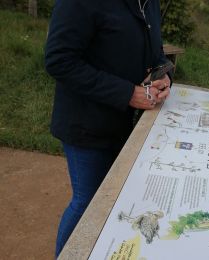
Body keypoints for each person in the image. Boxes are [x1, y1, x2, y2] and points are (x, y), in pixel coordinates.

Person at [44, 0, 172, 257]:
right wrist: (127, 93)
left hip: (123, 124)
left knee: (116, 201)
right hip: (84, 124)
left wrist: (164, 74)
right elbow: (59, 60)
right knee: (89, 203)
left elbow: (154, 52)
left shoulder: (149, 3)